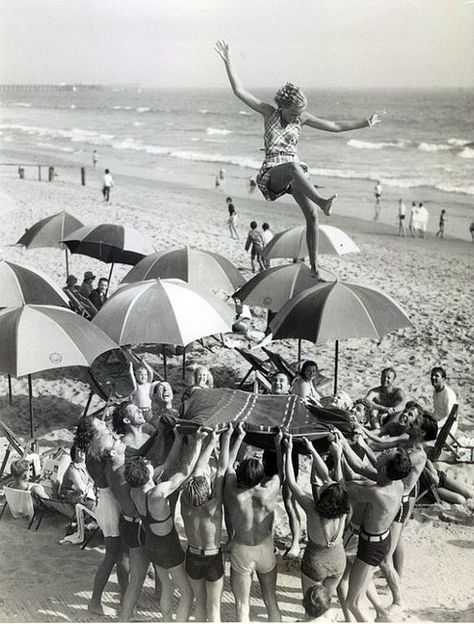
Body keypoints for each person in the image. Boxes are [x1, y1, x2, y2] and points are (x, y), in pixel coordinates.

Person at [215, 39, 383, 280]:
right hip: (273, 172)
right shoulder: (268, 112)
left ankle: (314, 268)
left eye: (299, 113)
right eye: (293, 112)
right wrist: (228, 61)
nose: (297, 117)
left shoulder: (301, 118)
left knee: (312, 215)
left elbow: (334, 126)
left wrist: (365, 123)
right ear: (282, 106)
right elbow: (239, 91)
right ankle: (324, 202)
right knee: (295, 168)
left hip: (294, 172)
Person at [124, 428, 206, 622]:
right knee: (187, 593)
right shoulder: (158, 493)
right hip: (167, 545)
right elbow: (184, 472)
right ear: (147, 473)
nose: (151, 464)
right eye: (149, 464)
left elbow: (168, 463)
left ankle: (167, 619)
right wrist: (199, 442)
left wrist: (177, 439)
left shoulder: (135, 490)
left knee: (167, 587)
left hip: (151, 542)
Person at [340, 439, 412, 622]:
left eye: (386, 454)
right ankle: (382, 614)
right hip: (379, 541)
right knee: (362, 580)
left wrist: (335, 456)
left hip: (370, 546)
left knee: (352, 603)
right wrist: (343, 441)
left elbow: (343, 488)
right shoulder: (396, 483)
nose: (382, 453)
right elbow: (359, 466)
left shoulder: (377, 493)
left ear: (384, 469)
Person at [284, 435, 349, 618]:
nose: (323, 483)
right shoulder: (344, 507)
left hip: (316, 561)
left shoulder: (312, 510)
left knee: (311, 606)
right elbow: (334, 479)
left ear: (324, 497)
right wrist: (315, 450)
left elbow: (291, 482)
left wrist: (289, 452)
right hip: (338, 559)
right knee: (325, 604)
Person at [225, 424, 282, 622]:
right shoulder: (269, 492)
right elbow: (280, 471)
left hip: (242, 548)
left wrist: (239, 436)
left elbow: (227, 465)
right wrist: (280, 445)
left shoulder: (234, 493)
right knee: (271, 600)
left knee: (242, 605)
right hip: (265, 547)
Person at [73, 415, 127, 615]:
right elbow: (114, 481)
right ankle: (95, 602)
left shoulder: (93, 450)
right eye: (101, 424)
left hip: (108, 503)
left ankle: (124, 597)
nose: (105, 425)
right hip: (111, 505)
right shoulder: (98, 454)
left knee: (122, 555)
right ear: (94, 433)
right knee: (113, 556)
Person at [181, 426, 233, 622]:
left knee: (200, 603)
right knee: (214, 607)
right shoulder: (214, 506)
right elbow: (221, 468)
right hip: (212, 559)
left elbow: (196, 472)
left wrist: (209, 442)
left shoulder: (185, 506)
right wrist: (224, 438)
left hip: (192, 556)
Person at [430, 366, 457, 434]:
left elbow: (449, 417)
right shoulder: (435, 391)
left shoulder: (448, 394)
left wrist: (436, 425)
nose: (433, 378)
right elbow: (438, 412)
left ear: (443, 379)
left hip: (447, 428)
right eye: (432, 375)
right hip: (437, 422)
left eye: (436, 376)